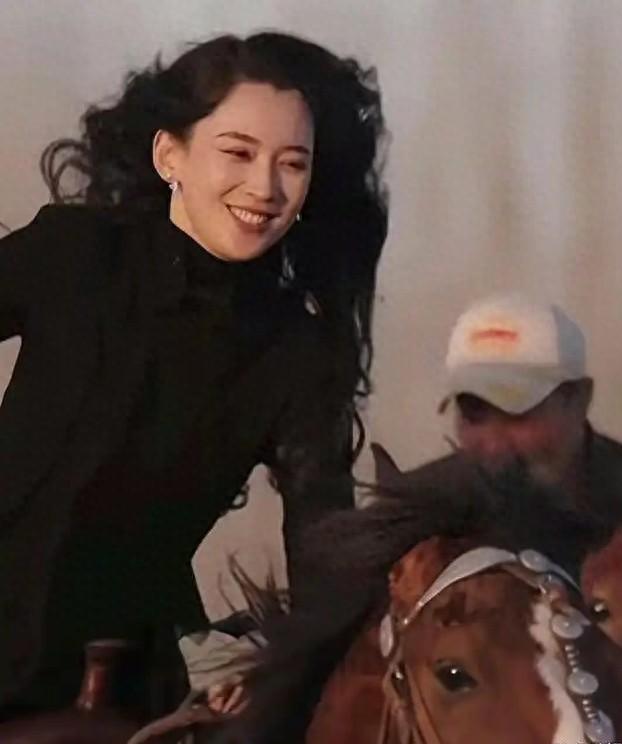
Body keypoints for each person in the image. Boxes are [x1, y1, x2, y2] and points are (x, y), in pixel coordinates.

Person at [0, 31, 388, 718]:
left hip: (118, 680)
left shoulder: (294, 349)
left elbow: (324, 557)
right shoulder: (76, 253)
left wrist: (268, 657)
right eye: (238, 152)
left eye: (293, 164)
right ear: (169, 155)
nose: (265, 187)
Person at [374, 294, 622, 523]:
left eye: (517, 412)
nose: (495, 445)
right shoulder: (416, 512)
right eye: (474, 413)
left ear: (579, 399)